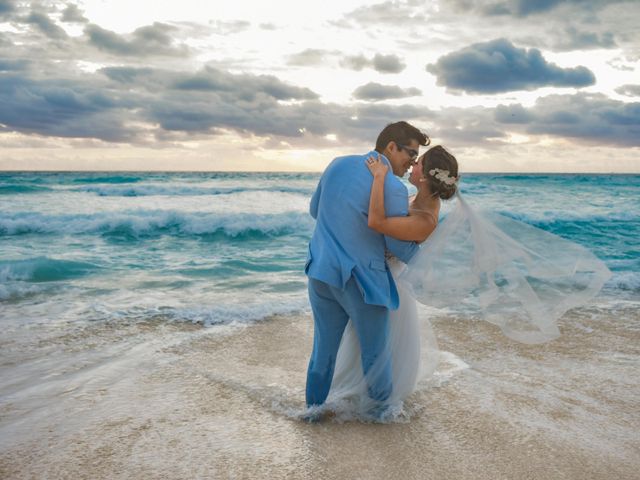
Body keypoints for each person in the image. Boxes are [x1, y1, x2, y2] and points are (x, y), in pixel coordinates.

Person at [304, 121, 429, 421]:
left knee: (323, 352)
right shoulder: (393, 189)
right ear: (390, 147)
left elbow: (314, 210)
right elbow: (395, 244)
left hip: (320, 273)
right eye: (410, 154)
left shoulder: (336, 164)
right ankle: (382, 418)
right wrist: (425, 253)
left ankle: (311, 412)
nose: (412, 162)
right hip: (361, 284)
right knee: (376, 355)